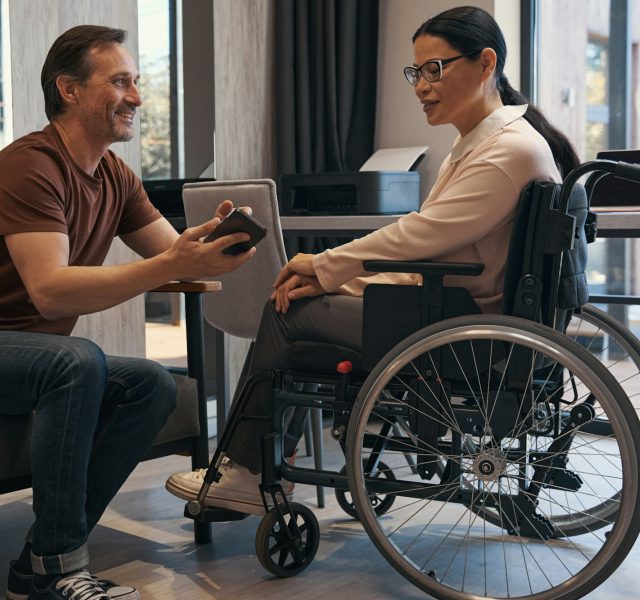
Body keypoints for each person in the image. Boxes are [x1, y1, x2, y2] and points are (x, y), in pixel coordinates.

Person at [166, 5, 580, 515]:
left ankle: (249, 470)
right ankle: (262, 463)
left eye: (435, 68)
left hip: (461, 326)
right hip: (453, 310)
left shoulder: (507, 150)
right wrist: (340, 281)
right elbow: (434, 247)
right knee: (303, 299)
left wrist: (325, 267)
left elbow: (422, 235)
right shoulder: (484, 144)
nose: (422, 85)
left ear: (486, 63)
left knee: (287, 312)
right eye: (416, 72)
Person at [0, 25, 255, 600]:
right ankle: (58, 569)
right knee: (76, 362)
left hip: (32, 357)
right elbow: (49, 291)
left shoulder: (116, 175)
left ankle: (38, 560)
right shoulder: (29, 166)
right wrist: (171, 262)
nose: (136, 97)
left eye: (137, 82)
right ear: (69, 90)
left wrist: (206, 247)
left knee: (151, 383)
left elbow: (171, 258)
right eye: (120, 82)